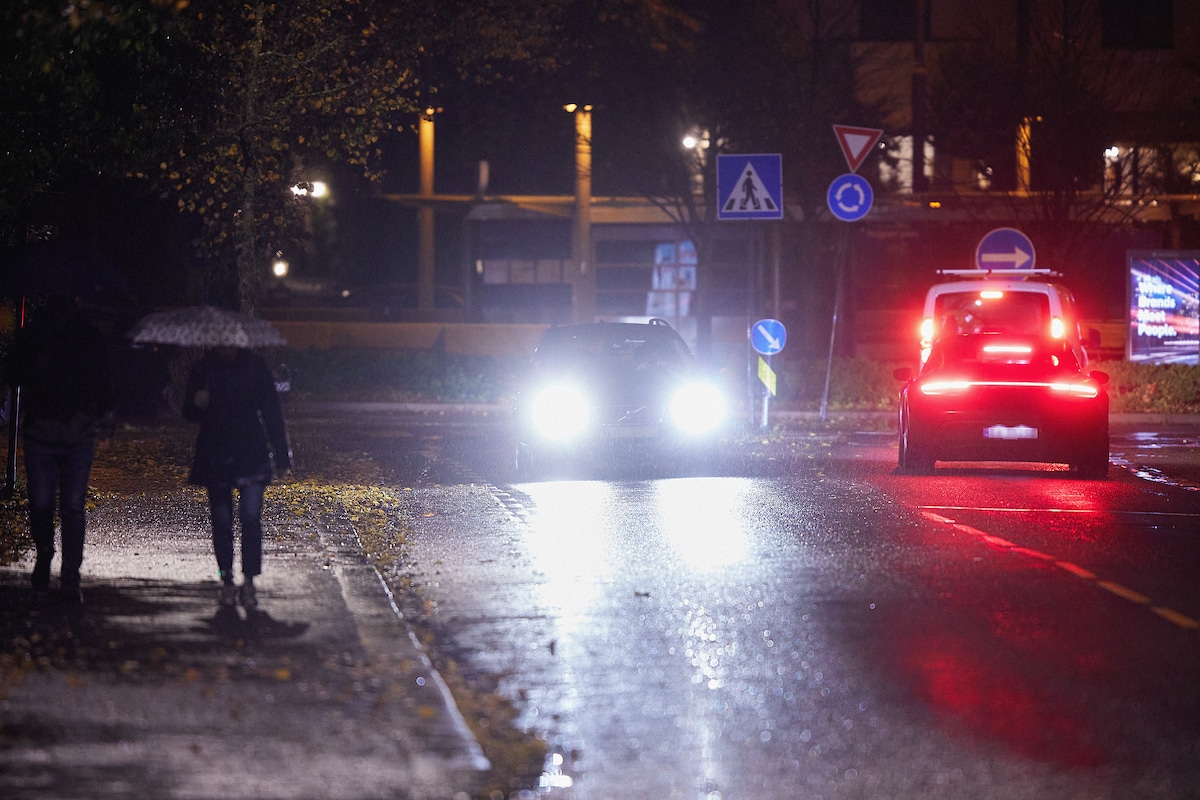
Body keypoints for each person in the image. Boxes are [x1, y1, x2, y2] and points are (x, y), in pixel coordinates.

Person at [8, 295, 115, 602]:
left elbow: (104, 383)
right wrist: (34, 366)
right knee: (40, 502)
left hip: (78, 432)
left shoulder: (89, 336)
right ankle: (44, 552)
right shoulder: (35, 333)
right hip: (41, 430)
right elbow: (13, 373)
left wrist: (106, 423)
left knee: (72, 504)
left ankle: (71, 576)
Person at [183, 346, 291, 609]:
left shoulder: (254, 366)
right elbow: (189, 410)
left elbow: (271, 410)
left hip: (250, 453)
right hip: (216, 453)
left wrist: (281, 455)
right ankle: (227, 579)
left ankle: (250, 579)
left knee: (250, 517)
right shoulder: (205, 368)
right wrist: (198, 402)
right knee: (222, 521)